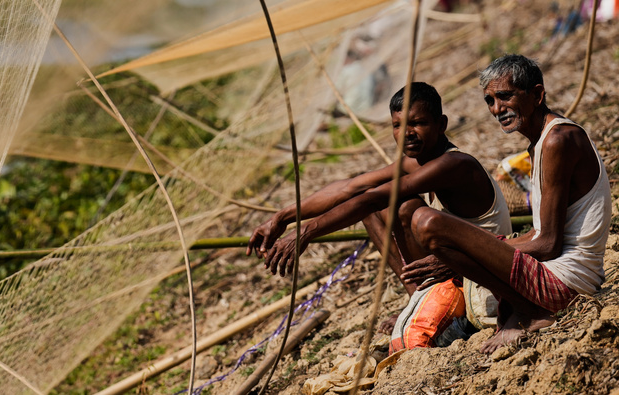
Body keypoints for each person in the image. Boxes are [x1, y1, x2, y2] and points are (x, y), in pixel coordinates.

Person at [402, 54, 611, 353]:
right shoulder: (540, 143)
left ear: (537, 95)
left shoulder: (557, 140)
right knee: (431, 226)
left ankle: (529, 311)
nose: (497, 109)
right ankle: (523, 309)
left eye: (504, 96)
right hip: (561, 275)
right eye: (489, 101)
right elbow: (542, 236)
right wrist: (469, 251)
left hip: (567, 284)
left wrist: (462, 252)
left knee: (428, 222)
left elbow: (548, 243)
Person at [248, 82, 511, 297]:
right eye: (397, 125)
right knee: (373, 207)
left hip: (486, 276)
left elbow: (373, 198)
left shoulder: (454, 164)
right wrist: (281, 217)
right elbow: (350, 187)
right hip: (451, 266)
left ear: (441, 124)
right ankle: (418, 296)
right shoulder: (413, 163)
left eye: (417, 123)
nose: (406, 133)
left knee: (401, 205)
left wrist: (305, 232)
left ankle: (429, 300)